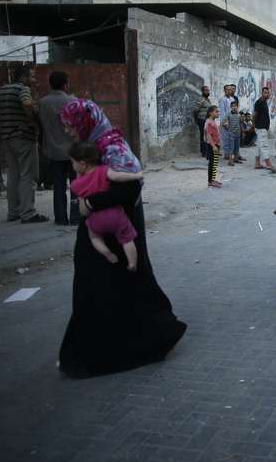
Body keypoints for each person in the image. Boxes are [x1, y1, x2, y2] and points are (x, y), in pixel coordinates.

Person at [58, 99, 186, 377]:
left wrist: (91, 204)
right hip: (104, 229)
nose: (68, 130)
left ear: (85, 121)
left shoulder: (111, 147)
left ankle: (142, 342)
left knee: (120, 287)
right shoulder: (91, 146)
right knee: (103, 290)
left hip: (118, 231)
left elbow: (129, 187)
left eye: (71, 125)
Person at [69, 142, 143, 271]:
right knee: (127, 238)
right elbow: (118, 177)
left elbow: (84, 211)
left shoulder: (76, 184)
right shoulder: (103, 171)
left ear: (82, 164)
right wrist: (136, 175)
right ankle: (132, 262)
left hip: (95, 220)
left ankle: (107, 253)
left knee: (95, 237)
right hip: (115, 215)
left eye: (73, 163)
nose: (72, 166)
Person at [0, 65, 48, 223]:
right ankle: (28, 213)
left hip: (7, 138)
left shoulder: (1, 91)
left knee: (13, 174)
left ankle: (13, 212)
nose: (34, 80)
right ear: (23, 77)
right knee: (28, 175)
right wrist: (31, 119)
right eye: (32, 77)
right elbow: (27, 104)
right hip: (23, 137)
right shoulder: (22, 89)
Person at [38, 70, 79, 225]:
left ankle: (61, 218)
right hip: (72, 150)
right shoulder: (72, 101)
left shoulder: (43, 103)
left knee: (59, 185)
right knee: (76, 185)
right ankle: (75, 217)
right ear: (65, 84)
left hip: (53, 150)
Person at [253, 87, 276, 172]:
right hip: (261, 127)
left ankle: (257, 163)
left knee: (259, 145)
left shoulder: (264, 102)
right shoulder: (259, 102)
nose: (267, 94)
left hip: (263, 127)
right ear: (262, 93)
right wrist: (254, 125)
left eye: (268, 92)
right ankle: (269, 164)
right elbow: (255, 114)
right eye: (265, 92)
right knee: (264, 145)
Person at [204, 106, 222, 188]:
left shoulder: (212, 121)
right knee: (212, 163)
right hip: (212, 145)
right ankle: (210, 181)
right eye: (216, 111)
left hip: (216, 144)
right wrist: (213, 146)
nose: (218, 113)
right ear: (210, 113)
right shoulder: (209, 122)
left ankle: (213, 179)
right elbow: (209, 136)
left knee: (215, 163)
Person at [221, 101, 242, 166]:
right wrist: (227, 127)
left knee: (237, 147)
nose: (234, 107)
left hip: (238, 134)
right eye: (233, 106)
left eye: (235, 106)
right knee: (231, 148)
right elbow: (223, 122)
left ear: (237, 107)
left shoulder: (238, 114)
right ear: (231, 107)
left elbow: (240, 123)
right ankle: (230, 160)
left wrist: (241, 131)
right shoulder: (228, 114)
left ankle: (235, 159)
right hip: (231, 134)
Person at [192, 85, 211, 158]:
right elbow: (195, 110)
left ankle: (207, 150)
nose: (207, 91)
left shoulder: (208, 100)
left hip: (207, 120)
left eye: (208, 90)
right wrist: (197, 120)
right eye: (206, 90)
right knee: (203, 136)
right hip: (202, 120)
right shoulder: (201, 99)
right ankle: (203, 152)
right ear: (202, 91)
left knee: (207, 136)